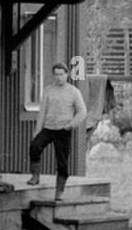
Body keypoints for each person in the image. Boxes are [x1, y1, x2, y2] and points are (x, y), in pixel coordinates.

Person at [26, 63, 88, 201]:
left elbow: (82, 112)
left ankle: (59, 191)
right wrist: (37, 130)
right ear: (53, 75)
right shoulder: (49, 90)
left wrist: (71, 125)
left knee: (62, 162)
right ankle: (35, 176)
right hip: (48, 128)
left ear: (67, 74)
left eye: (61, 74)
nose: (59, 77)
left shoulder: (73, 91)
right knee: (35, 146)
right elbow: (42, 111)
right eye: (56, 74)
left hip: (63, 130)